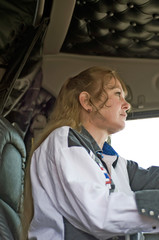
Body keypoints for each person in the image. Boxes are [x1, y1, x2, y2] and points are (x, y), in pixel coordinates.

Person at [22, 66, 159, 240]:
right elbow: (98, 212)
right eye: (117, 94)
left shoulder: (112, 161)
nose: (127, 105)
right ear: (87, 102)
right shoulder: (64, 140)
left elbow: (150, 179)